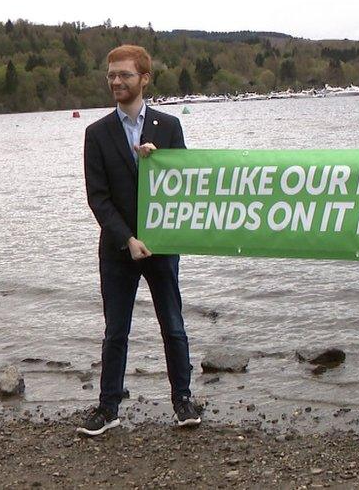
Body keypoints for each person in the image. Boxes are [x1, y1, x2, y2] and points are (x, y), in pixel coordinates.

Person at [79, 44, 200, 436]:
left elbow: (185, 183)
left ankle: (183, 400)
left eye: (125, 75)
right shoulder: (96, 133)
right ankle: (108, 407)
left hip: (163, 244)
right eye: (112, 74)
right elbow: (98, 197)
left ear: (144, 78)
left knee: (174, 325)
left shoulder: (168, 127)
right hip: (118, 249)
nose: (116, 81)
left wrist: (160, 159)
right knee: (116, 330)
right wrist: (127, 238)